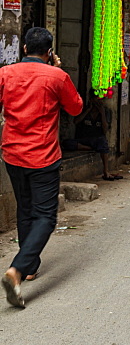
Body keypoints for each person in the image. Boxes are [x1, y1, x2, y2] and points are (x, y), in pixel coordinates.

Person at [0, 27, 82, 308]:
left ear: (24, 49)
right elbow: (75, 107)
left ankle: (29, 266)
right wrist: (57, 71)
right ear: (49, 52)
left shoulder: (5, 74)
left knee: (25, 209)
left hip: (12, 153)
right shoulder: (57, 76)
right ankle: (17, 269)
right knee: (45, 217)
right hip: (43, 156)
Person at [62, 89, 121, 181]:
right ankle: (91, 148)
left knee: (103, 142)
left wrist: (102, 114)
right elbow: (76, 121)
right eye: (96, 100)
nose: (99, 102)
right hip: (84, 140)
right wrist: (88, 110)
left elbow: (105, 130)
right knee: (67, 143)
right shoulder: (84, 109)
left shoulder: (106, 112)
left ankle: (106, 171)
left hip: (97, 139)